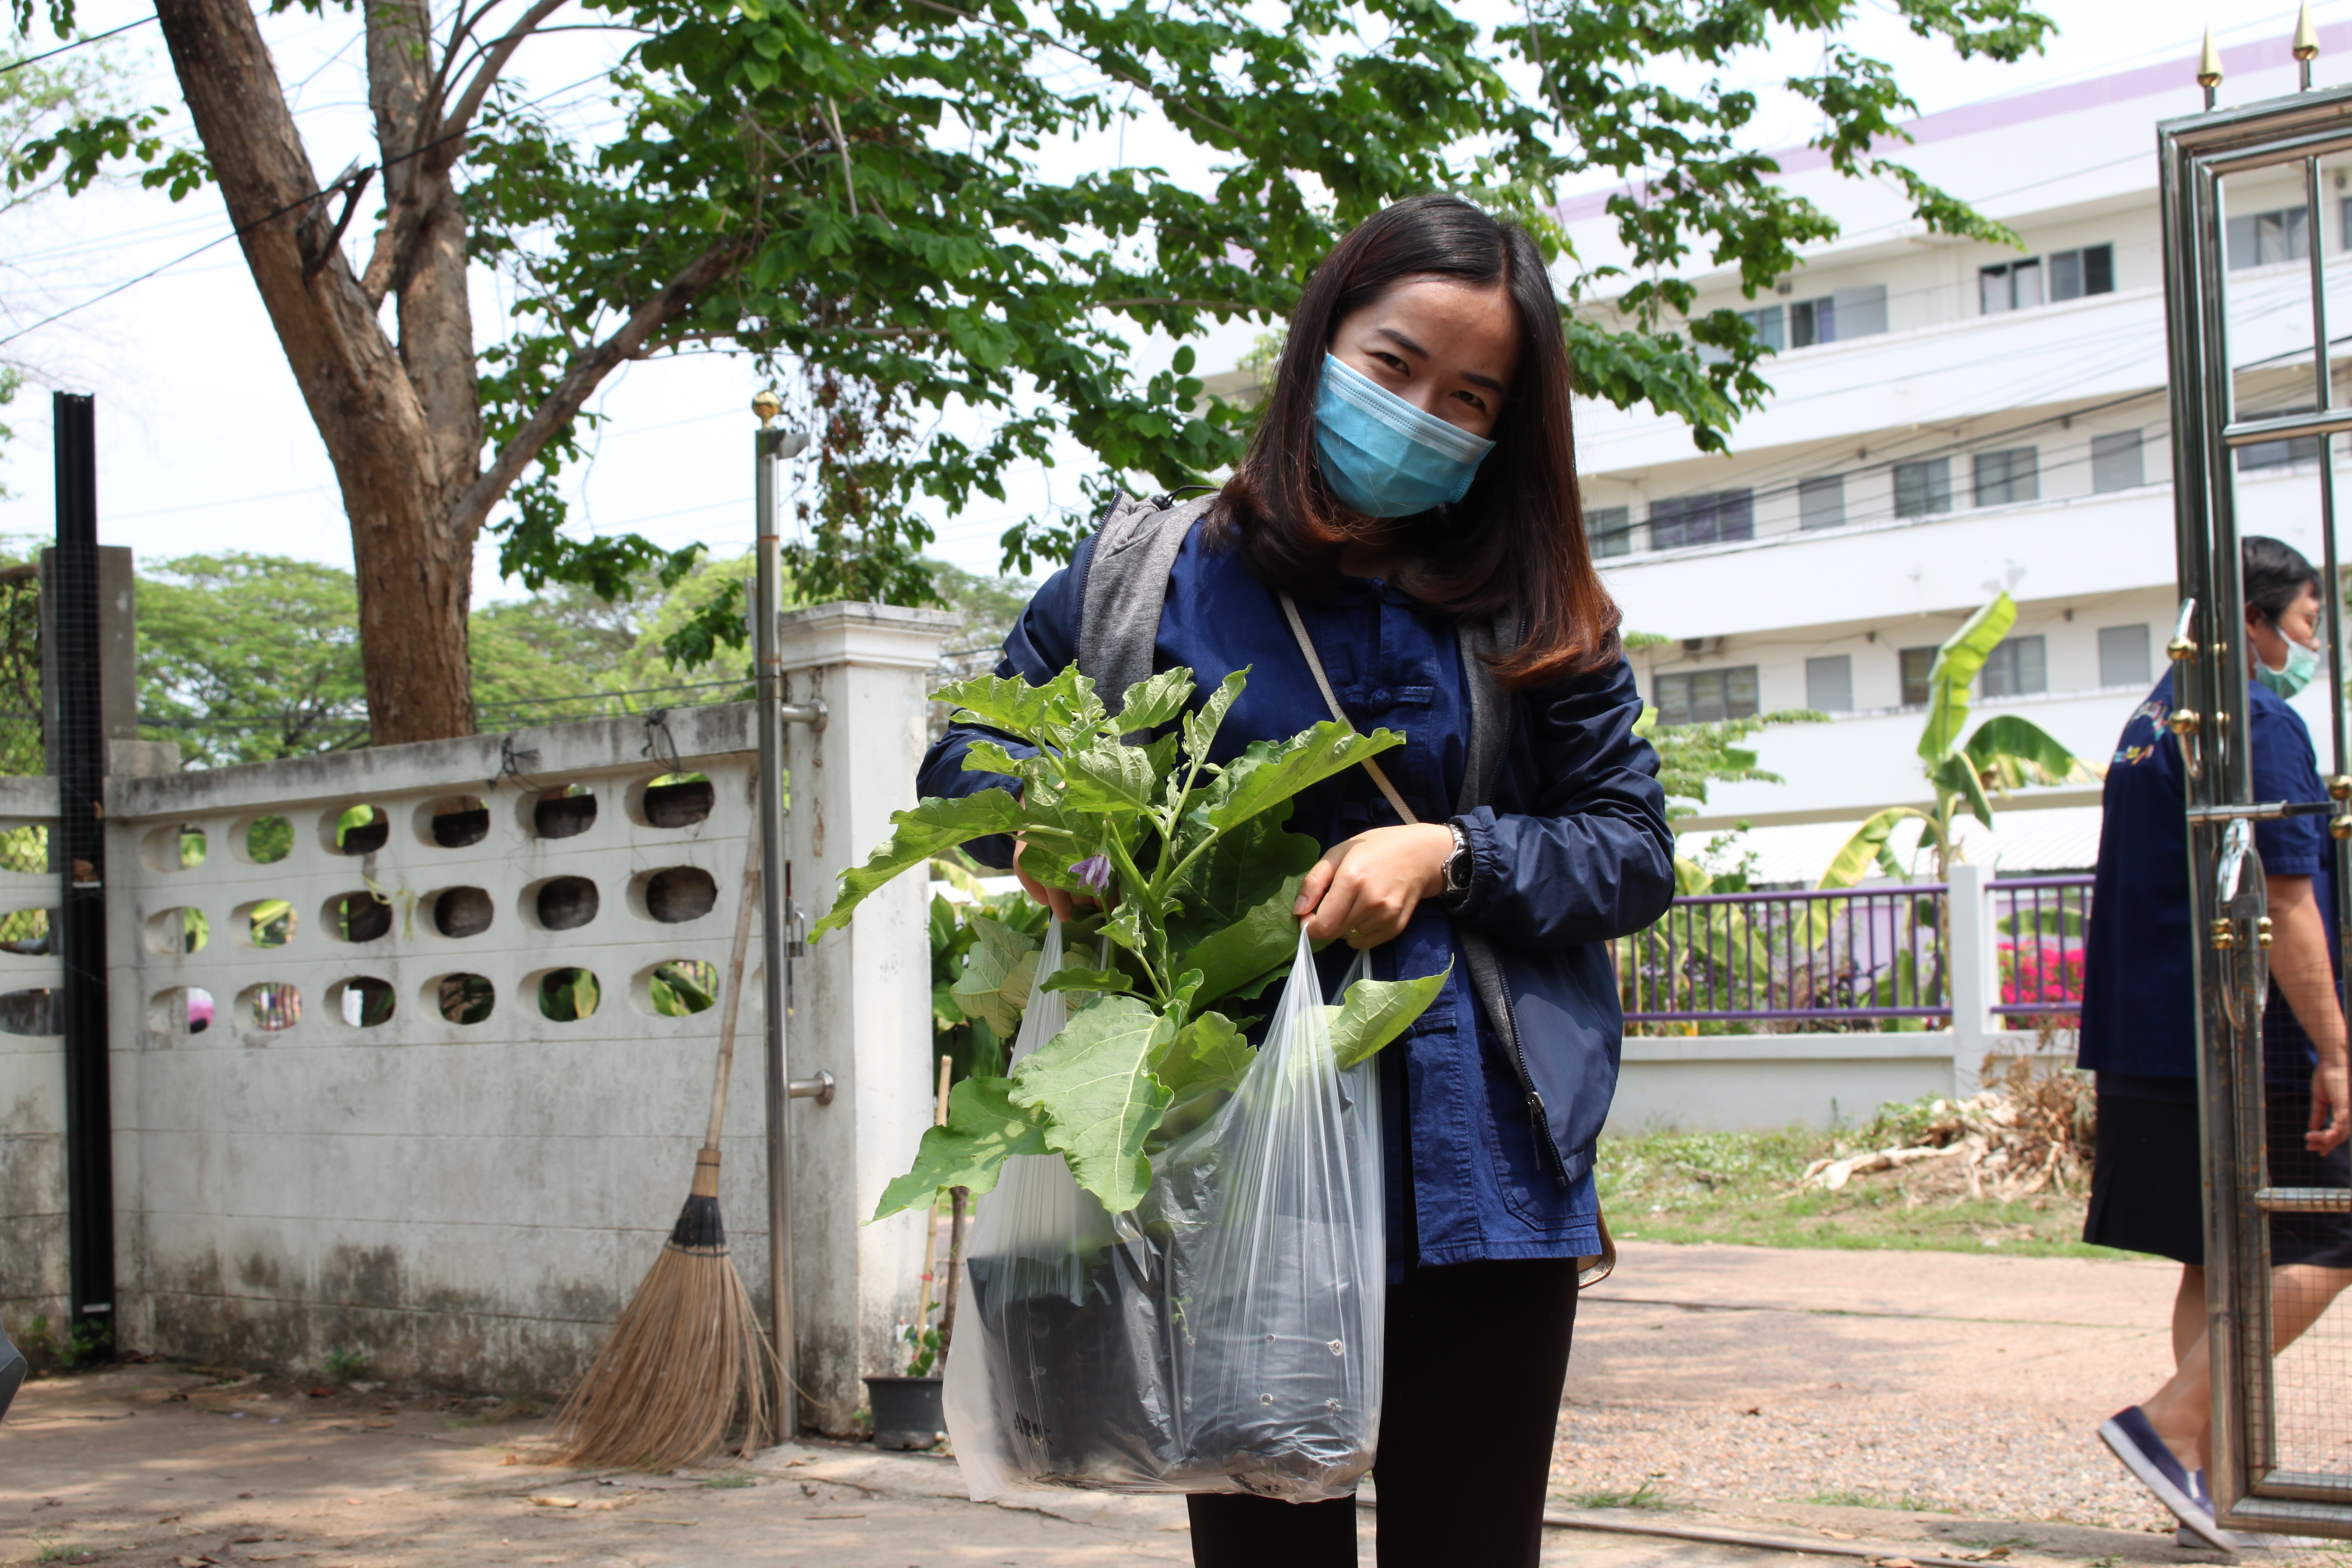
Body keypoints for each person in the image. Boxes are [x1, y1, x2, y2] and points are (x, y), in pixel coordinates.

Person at [919, 194, 1674, 1566]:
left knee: (1471, 1546)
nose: (1421, 411)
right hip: (1233, 1151)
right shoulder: (1149, 578)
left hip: (1480, 1165)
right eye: (1394, 367)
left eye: (1469, 396)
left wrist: (1451, 850)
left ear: (1506, 428)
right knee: (1268, 1547)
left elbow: (1630, 849)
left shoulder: (1537, 605)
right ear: (1324, 342)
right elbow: (974, 750)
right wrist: (1058, 842)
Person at [2081, 535, 2352, 1549]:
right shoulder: (2254, 720)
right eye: (2308, 624)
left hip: (2151, 1028)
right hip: (2239, 1037)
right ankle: (2170, 1427)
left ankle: (2210, 1481)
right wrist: (2336, 1048)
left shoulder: (2156, 717)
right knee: (2339, 1227)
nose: (2310, 643)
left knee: (2219, 1254)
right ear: (2255, 619)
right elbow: (2286, 897)